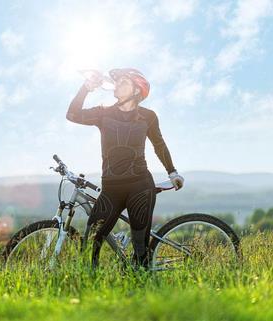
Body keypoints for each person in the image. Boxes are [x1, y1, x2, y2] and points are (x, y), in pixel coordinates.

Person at [65, 68, 184, 270]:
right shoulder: (103, 113)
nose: (118, 84)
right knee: (92, 241)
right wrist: (86, 88)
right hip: (111, 188)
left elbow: (159, 145)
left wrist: (172, 172)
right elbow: (72, 115)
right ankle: (89, 286)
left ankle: (142, 288)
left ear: (137, 90)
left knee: (140, 249)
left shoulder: (148, 116)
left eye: (123, 82)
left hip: (140, 187)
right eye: (117, 81)